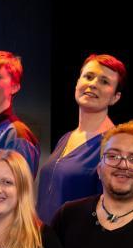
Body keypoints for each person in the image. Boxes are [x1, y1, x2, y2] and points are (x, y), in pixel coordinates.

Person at [38, 53, 126, 224]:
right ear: (77, 83)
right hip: (44, 243)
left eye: (104, 81)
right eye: (89, 76)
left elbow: (114, 213)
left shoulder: (114, 145)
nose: (93, 84)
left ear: (115, 97)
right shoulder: (66, 138)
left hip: (76, 246)